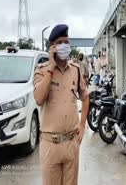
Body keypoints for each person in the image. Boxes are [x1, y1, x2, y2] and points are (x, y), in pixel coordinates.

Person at [33, 24, 89, 185]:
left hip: (71, 143)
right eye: (60, 42)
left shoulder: (76, 70)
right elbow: (38, 98)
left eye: (67, 42)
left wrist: (82, 125)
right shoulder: (41, 70)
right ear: (52, 47)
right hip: (50, 145)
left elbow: (85, 97)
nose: (65, 46)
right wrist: (50, 67)